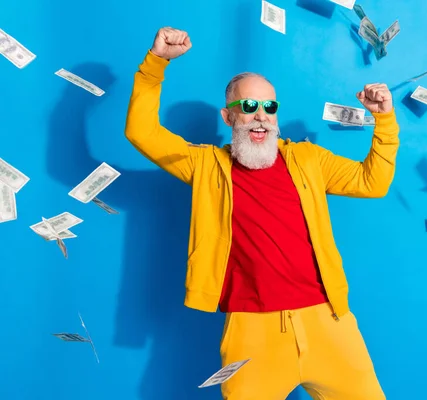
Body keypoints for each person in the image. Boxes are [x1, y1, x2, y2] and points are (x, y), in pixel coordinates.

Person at [125, 27, 400, 400]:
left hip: (329, 323)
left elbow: (372, 183)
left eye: (269, 107)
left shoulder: (308, 159)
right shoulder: (205, 165)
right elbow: (141, 131)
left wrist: (384, 122)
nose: (260, 116)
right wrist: (155, 64)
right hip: (251, 334)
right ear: (228, 116)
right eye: (248, 107)